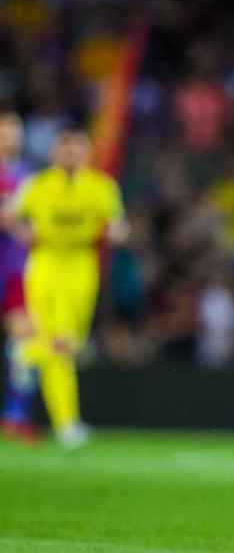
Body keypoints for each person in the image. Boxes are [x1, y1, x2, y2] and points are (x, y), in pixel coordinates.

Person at [8, 128, 128, 449]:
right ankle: (66, 424)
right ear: (56, 153)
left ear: (86, 154)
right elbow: (9, 214)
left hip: (81, 266)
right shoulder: (38, 185)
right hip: (46, 263)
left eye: (77, 149)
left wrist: (117, 232)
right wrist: (23, 232)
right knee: (60, 344)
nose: (71, 154)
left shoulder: (101, 187)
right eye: (66, 149)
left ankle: (27, 352)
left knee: (69, 344)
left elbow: (117, 222)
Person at [0, 111, 34, 443]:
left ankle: (15, 414)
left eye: (15, 130)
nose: (11, 137)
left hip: (16, 269)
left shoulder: (29, 177)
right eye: (5, 131)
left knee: (23, 341)